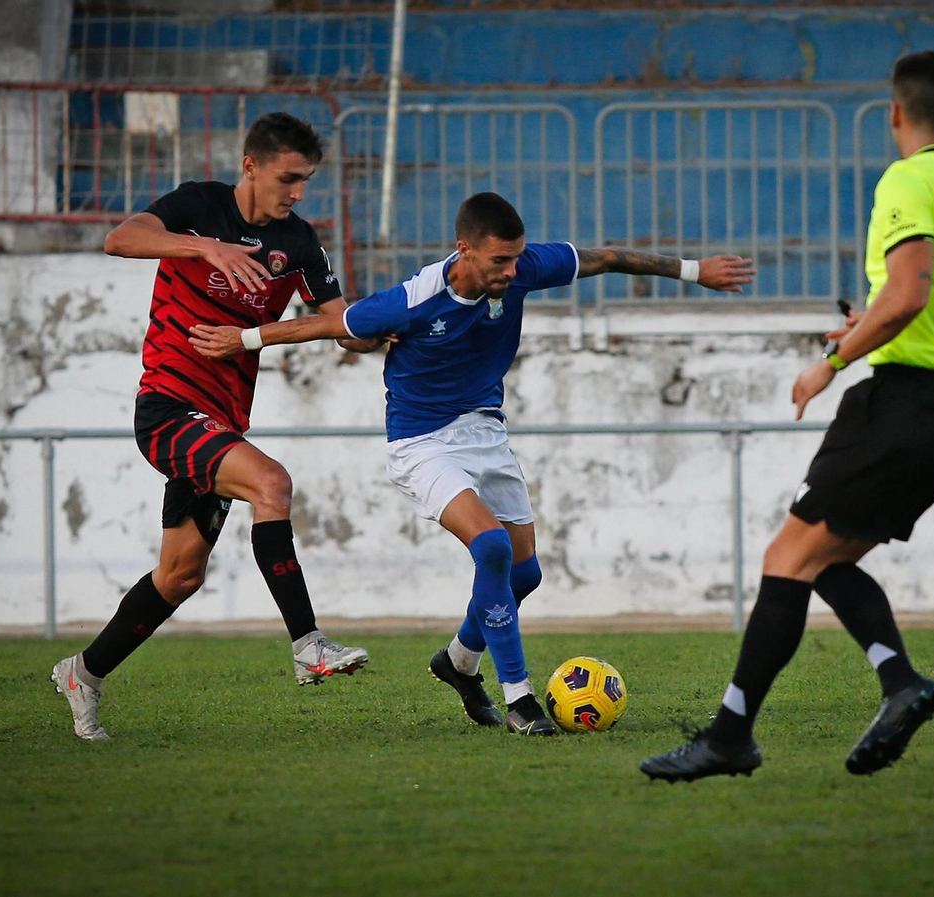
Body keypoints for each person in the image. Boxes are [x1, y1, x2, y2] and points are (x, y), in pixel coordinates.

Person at [190, 191, 756, 735]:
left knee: (525, 575)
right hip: (422, 442)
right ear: (464, 250)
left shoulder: (523, 267)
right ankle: (519, 698)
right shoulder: (415, 299)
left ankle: (459, 661)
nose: (512, 271)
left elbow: (605, 258)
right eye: (500, 261)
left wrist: (693, 270)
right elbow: (327, 325)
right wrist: (244, 339)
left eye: (516, 258)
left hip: (486, 432)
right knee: (491, 548)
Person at [640, 50, 934, 781]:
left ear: (894, 113)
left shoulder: (907, 181)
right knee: (824, 560)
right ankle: (899, 682)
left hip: (900, 402)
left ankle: (730, 736)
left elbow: (908, 294)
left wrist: (835, 356)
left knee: (785, 559)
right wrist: (881, 321)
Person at [51, 112, 374, 741]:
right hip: (168, 410)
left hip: (219, 425)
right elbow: (119, 239)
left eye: (306, 181)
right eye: (287, 179)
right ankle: (308, 645)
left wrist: (387, 324)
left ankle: (82, 674)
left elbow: (341, 325)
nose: (298, 192)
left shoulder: (299, 244)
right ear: (250, 166)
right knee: (272, 484)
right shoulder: (198, 206)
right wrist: (204, 246)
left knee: (180, 576)